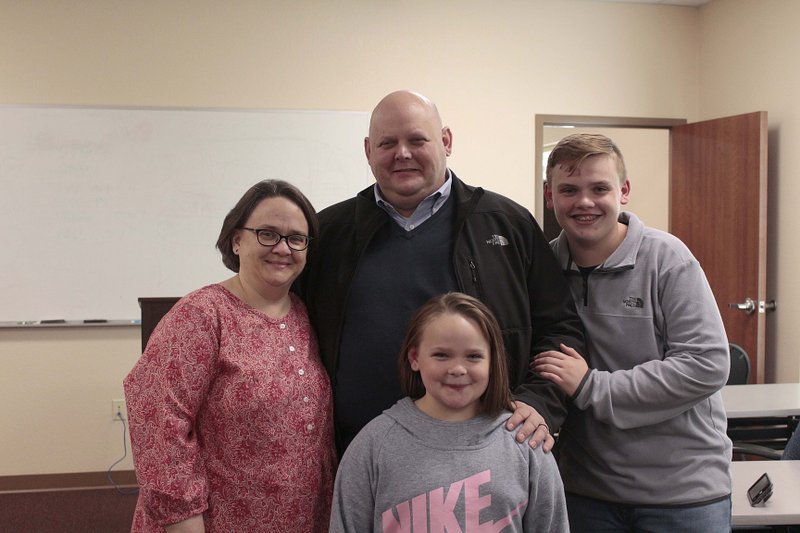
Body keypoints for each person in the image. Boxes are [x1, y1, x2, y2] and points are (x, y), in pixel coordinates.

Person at [299, 90, 585, 455]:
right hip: (358, 459)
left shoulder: (507, 224)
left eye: (417, 140)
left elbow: (560, 331)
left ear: (446, 141)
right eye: (388, 143)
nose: (402, 153)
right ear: (369, 150)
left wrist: (540, 402)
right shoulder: (329, 233)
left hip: (486, 457)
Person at [533, 133, 732, 532]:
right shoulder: (541, 266)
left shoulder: (667, 259)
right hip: (586, 494)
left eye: (599, 188)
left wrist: (592, 386)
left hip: (681, 497)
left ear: (623, 191)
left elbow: (707, 365)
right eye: (569, 189)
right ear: (550, 195)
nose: (584, 202)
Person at [123, 180, 336, 533]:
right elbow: (157, 421)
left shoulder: (305, 314)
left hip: (298, 517)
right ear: (237, 240)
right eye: (267, 233)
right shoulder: (201, 315)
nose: (283, 248)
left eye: (296, 238)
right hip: (213, 522)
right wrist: (184, 522)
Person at [329, 292, 569, 532]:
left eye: (473, 356)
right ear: (415, 358)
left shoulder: (526, 443)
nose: (457, 369)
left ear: (492, 361)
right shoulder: (373, 446)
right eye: (441, 355)